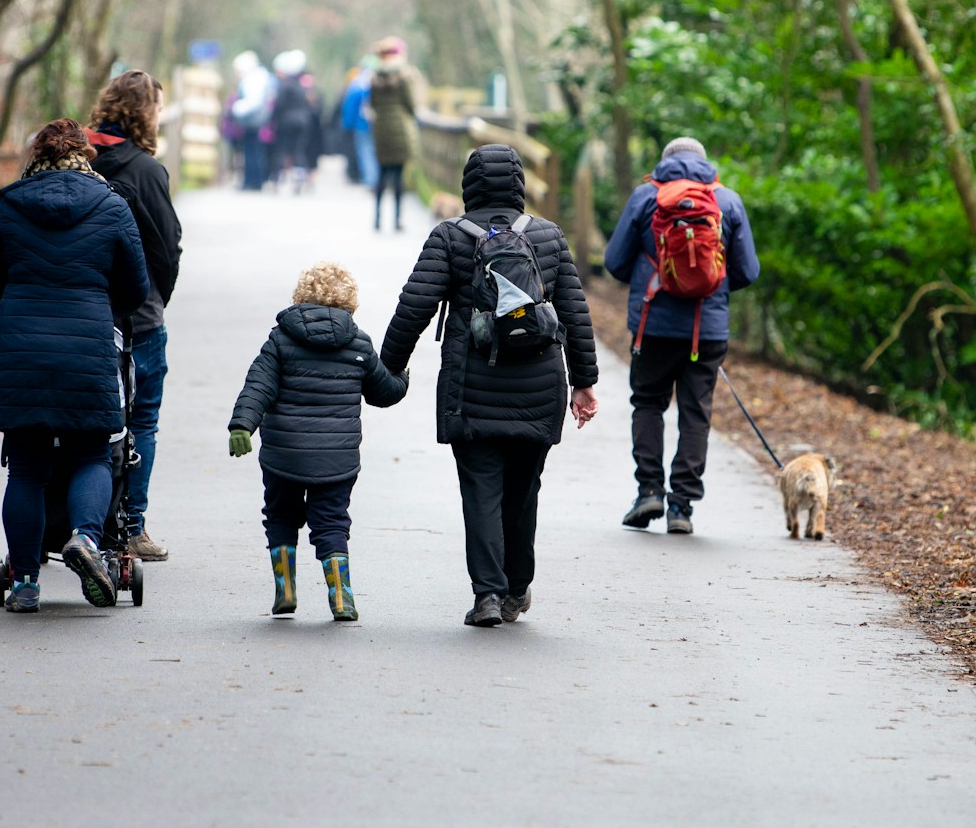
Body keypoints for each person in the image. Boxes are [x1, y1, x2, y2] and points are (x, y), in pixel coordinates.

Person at [381, 145, 599, 627]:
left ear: (469, 185)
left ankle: (487, 595)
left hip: (471, 387)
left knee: (480, 490)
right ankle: (517, 588)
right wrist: (584, 381)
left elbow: (413, 306)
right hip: (540, 389)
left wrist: (388, 368)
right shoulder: (547, 236)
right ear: (519, 184)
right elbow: (576, 313)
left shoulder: (451, 237)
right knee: (524, 490)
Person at [0, 119, 149, 612]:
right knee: (92, 455)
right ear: (84, 156)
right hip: (88, 347)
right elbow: (136, 288)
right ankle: (88, 542)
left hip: (22, 351)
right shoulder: (112, 206)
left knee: (26, 469)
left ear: (37, 157)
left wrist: (19, 307)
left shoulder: (10, 205)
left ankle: (26, 581)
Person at [228, 263, 409, 621]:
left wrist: (242, 425)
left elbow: (258, 386)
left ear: (301, 296)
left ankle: (286, 590)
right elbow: (383, 393)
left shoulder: (280, 339)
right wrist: (402, 376)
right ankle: (341, 596)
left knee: (280, 516)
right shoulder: (358, 343)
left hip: (285, 456)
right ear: (349, 301)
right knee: (331, 523)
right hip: (336, 460)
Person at [603, 135, 760, 536]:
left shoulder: (645, 197)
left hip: (652, 325)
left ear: (664, 162)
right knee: (696, 412)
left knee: (648, 404)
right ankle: (682, 507)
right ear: (706, 163)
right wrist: (709, 286)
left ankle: (649, 491)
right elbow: (748, 271)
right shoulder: (727, 201)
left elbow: (615, 263)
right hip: (705, 330)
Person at [86, 69, 183, 563]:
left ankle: (69, 523)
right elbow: (168, 248)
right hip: (139, 319)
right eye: (159, 109)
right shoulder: (146, 171)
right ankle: (131, 527)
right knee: (140, 420)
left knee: (84, 422)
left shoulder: (77, 161)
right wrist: (153, 297)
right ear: (145, 114)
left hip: (80, 314)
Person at [366, 36, 424, 230]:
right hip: (401, 128)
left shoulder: (374, 77)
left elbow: (372, 104)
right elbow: (412, 104)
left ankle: (377, 217)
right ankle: (398, 219)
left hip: (381, 129)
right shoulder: (405, 75)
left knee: (382, 173)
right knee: (398, 175)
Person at [268, 49, 323, 193]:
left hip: (286, 122)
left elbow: (278, 104)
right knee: (299, 151)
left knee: (282, 150)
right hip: (303, 122)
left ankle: (277, 179)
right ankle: (299, 178)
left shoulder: (285, 84)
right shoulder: (303, 85)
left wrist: (272, 119)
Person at [230, 50, 276, 191]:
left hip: (252, 121)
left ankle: (252, 181)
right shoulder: (260, 77)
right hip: (256, 121)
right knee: (255, 150)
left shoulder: (252, 80)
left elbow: (253, 102)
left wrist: (236, 109)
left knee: (252, 151)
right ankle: (254, 181)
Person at [336, 58, 378, 188]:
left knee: (365, 151)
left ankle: (370, 179)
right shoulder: (378, 82)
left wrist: (347, 124)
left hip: (361, 125)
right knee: (374, 151)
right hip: (377, 124)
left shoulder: (358, 84)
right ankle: (375, 178)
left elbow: (349, 107)